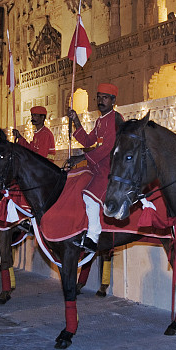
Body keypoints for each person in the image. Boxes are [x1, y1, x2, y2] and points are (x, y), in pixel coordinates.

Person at [65, 83, 124, 251]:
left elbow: (108, 148)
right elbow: (88, 141)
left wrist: (82, 157)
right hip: (97, 167)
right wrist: (76, 120)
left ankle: (93, 236)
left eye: (105, 97)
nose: (100, 101)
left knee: (89, 196)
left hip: (111, 170)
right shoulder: (100, 121)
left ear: (113, 100)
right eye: (98, 97)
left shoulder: (115, 119)